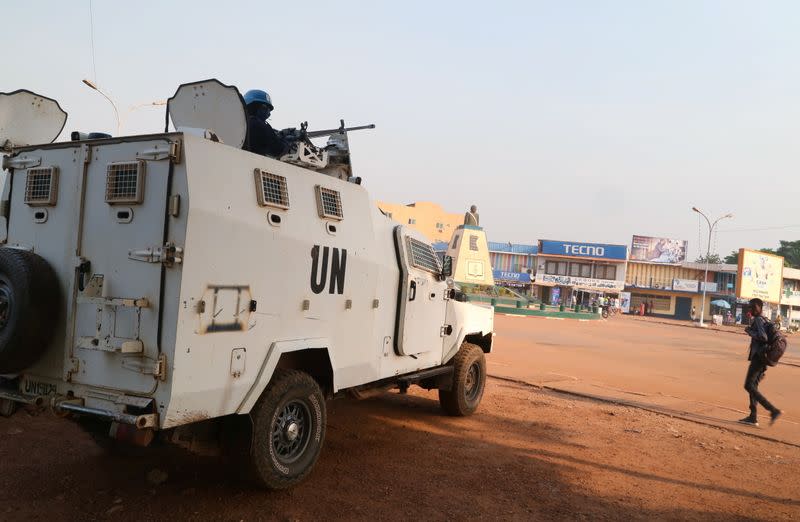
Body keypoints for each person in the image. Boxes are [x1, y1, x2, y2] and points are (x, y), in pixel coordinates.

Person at [739, 298, 782, 427]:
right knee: (753, 386)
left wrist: (749, 331)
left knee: (748, 386)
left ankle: (773, 410)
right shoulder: (765, 319)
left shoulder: (758, 319)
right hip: (763, 358)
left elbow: (763, 337)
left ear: (759, 307)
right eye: (749, 307)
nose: (750, 309)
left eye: (753, 307)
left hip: (759, 358)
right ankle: (753, 417)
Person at [242, 89, 289, 158]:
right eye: (265, 108)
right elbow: (278, 150)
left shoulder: (239, 122)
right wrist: (286, 141)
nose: (268, 113)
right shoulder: (260, 125)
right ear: (255, 107)